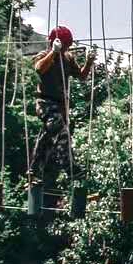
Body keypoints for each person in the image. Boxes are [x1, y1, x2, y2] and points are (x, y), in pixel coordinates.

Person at [30, 25, 94, 193]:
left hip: (60, 105)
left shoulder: (67, 58)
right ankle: (71, 169)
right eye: (65, 45)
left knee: (45, 140)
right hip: (45, 103)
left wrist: (88, 62)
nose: (67, 48)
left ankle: (34, 171)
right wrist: (54, 52)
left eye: (67, 46)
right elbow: (39, 69)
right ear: (54, 42)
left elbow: (81, 76)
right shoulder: (44, 55)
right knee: (61, 134)